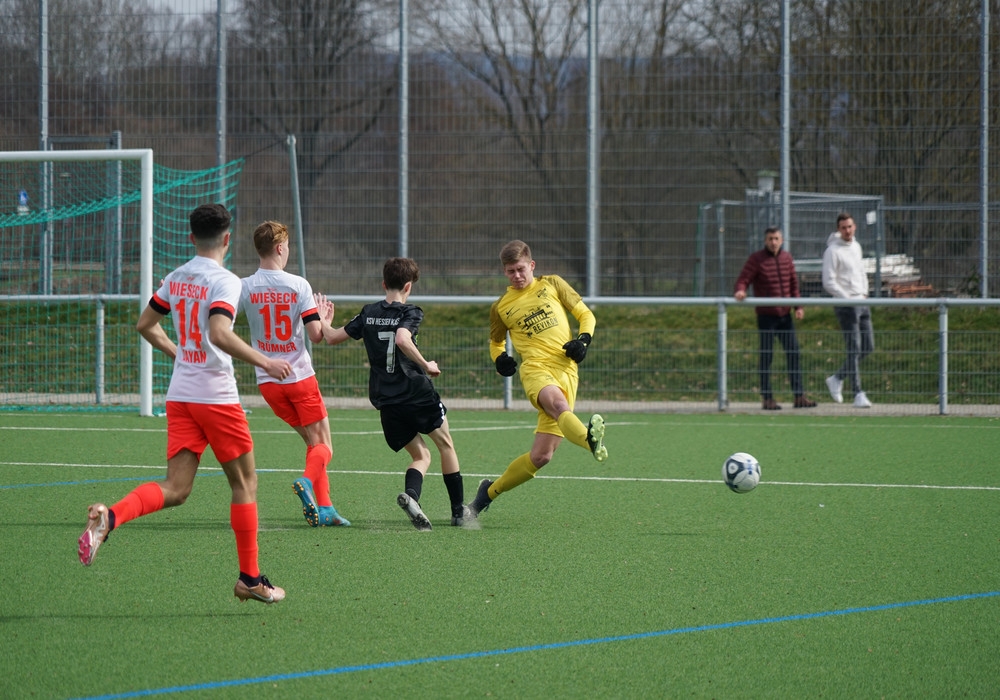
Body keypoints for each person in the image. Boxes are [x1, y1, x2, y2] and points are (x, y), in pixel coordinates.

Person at [77, 203, 291, 604]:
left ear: (191, 238)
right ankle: (250, 578)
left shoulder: (176, 278)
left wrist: (179, 353)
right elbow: (219, 332)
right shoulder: (226, 280)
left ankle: (111, 517)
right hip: (215, 397)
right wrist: (266, 361)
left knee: (176, 488)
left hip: (180, 395)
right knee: (245, 484)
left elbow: (145, 325)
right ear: (227, 239)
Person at [316, 257, 466, 531]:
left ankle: (412, 497)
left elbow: (332, 337)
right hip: (417, 394)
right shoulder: (411, 312)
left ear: (384, 283)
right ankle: (458, 513)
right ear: (408, 286)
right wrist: (426, 365)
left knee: (421, 455)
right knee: (445, 445)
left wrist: (324, 320)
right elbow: (402, 339)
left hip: (387, 400)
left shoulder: (368, 312)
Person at [467, 240, 607, 520]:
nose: (517, 276)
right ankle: (589, 440)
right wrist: (500, 359)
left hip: (566, 370)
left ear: (531, 265)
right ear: (504, 272)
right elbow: (496, 343)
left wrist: (583, 340)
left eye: (521, 269)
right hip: (535, 369)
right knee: (558, 405)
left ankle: (486, 494)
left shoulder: (552, 284)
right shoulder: (501, 306)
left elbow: (585, 314)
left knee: (542, 457)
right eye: (510, 271)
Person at [239, 220, 349, 528]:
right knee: (324, 446)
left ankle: (326, 509)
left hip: (268, 383)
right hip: (299, 378)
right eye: (287, 247)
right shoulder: (298, 285)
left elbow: (218, 318)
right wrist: (324, 318)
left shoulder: (244, 286)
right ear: (279, 248)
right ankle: (306, 482)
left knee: (313, 445)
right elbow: (316, 336)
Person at [734, 226, 816, 410]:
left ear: (782, 240)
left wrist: (798, 306)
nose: (773, 242)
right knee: (766, 356)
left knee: (793, 353)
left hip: (785, 316)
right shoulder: (756, 259)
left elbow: (793, 284)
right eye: (770, 239)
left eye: (776, 238)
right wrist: (740, 290)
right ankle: (767, 398)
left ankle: (799, 396)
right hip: (766, 316)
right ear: (765, 241)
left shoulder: (787, 258)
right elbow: (743, 279)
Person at [822, 212, 874, 408]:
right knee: (854, 348)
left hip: (862, 302)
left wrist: (865, 292)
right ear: (838, 229)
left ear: (855, 227)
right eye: (843, 228)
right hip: (846, 306)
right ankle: (857, 393)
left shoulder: (856, 246)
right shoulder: (832, 251)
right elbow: (828, 281)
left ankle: (837, 377)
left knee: (868, 347)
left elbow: (860, 270)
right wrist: (846, 298)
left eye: (850, 227)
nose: (847, 231)